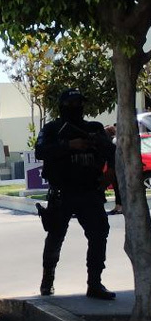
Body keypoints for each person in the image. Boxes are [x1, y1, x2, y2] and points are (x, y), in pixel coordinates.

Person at [34, 88, 116, 299]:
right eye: (71, 104)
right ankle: (47, 281)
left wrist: (109, 176)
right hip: (63, 192)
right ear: (62, 106)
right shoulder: (53, 129)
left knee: (99, 235)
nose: (76, 108)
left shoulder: (94, 128)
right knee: (55, 236)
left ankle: (95, 283)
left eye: (78, 103)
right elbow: (41, 151)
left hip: (89, 191)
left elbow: (111, 153)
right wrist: (69, 145)